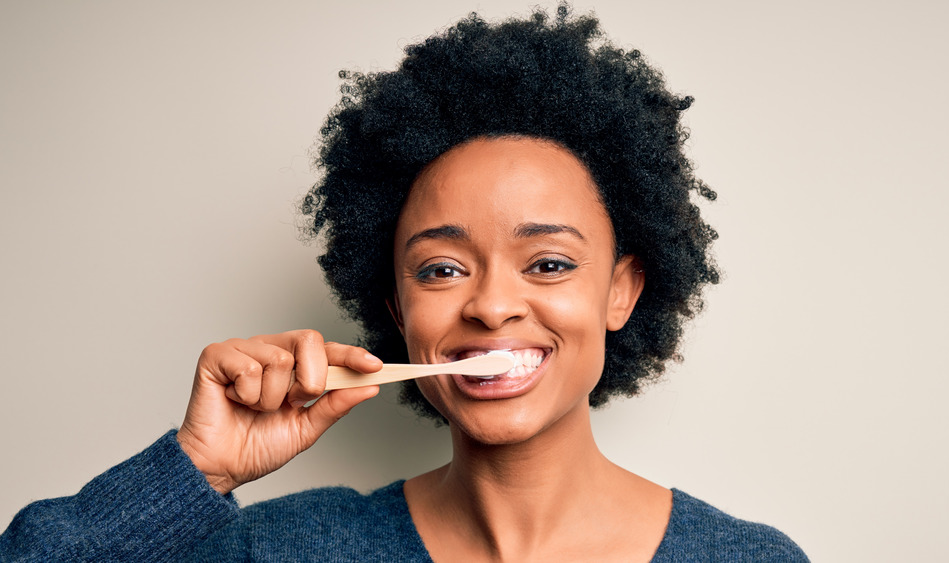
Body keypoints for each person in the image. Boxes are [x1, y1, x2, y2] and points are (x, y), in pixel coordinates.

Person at [0, 5, 808, 561]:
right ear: (396, 306)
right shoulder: (282, 548)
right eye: (442, 269)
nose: (491, 305)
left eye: (550, 263)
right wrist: (197, 469)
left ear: (622, 290)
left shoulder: (748, 557)